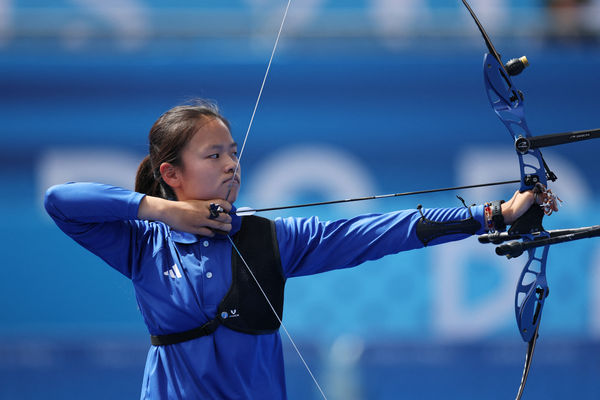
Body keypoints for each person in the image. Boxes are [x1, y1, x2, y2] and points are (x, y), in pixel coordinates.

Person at [44, 101, 551, 399]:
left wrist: (495, 215)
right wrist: (165, 212)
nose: (230, 165)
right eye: (213, 154)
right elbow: (60, 201)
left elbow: (379, 231)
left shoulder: (272, 239)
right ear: (171, 174)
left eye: (233, 153)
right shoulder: (143, 243)